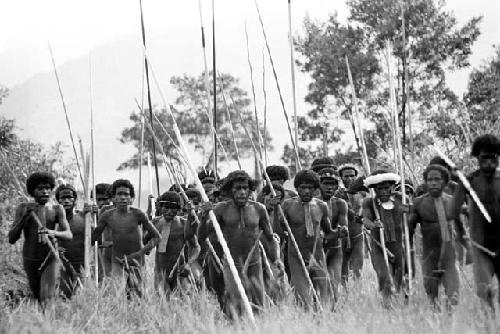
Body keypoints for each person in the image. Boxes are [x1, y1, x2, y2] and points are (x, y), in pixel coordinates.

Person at [198, 170, 281, 316]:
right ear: (230, 190)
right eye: (238, 189)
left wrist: (276, 259)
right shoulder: (221, 209)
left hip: (254, 263)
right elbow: (201, 236)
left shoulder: (259, 209)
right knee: (235, 303)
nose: (242, 192)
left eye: (245, 188)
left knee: (258, 305)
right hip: (232, 263)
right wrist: (204, 218)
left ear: (250, 190)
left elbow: (269, 237)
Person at [410, 164, 470, 309]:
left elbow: (461, 231)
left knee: (453, 296)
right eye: (430, 180)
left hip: (449, 257)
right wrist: (407, 216)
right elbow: (409, 228)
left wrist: (470, 248)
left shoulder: (452, 202)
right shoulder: (419, 203)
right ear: (425, 182)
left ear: (445, 182)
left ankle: (450, 325)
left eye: (437, 179)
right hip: (429, 256)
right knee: (432, 297)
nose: (433, 183)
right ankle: (435, 325)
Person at [8, 172, 72, 304]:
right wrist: (24, 218)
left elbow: (68, 234)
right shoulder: (23, 208)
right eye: (40, 189)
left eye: (48, 188)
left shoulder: (57, 209)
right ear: (32, 191)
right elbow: (12, 238)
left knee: (47, 297)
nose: (45, 192)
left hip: (50, 257)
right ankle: (42, 323)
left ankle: (50, 322)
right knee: (38, 297)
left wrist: (52, 232)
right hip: (30, 259)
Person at [452, 134, 500, 310]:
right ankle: (488, 325)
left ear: (498, 157)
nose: (488, 162)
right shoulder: (468, 182)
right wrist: (463, 235)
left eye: (492, 157)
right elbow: (453, 211)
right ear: (477, 158)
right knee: (484, 290)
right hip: (480, 246)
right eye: (484, 157)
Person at [91, 179, 160, 297]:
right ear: (113, 198)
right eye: (119, 194)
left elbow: (157, 237)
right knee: (114, 294)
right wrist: (87, 215)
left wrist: (140, 253)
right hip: (117, 260)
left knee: (137, 295)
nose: (123, 197)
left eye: (126, 194)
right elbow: (93, 238)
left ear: (131, 198)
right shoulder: (107, 216)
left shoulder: (138, 214)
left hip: (137, 260)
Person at [281, 170, 338, 308]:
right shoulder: (287, 205)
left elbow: (329, 233)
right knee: (303, 299)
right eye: (303, 188)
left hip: (317, 256)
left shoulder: (321, 206)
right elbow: (282, 230)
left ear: (316, 189)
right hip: (296, 257)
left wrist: (339, 233)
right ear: (297, 188)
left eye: (310, 188)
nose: (306, 191)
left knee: (325, 298)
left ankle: (324, 325)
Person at [362, 170, 406, 304]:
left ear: (392, 187)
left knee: (400, 277)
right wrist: (374, 225)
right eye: (379, 189)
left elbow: (411, 216)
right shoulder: (369, 202)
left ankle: (402, 304)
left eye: (386, 188)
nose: (383, 192)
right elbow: (365, 220)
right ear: (374, 189)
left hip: (398, 246)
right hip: (379, 247)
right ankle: (387, 304)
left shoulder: (401, 199)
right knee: (384, 276)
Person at [148, 191, 200, 292]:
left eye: (173, 208)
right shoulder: (155, 222)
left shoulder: (184, 224)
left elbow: (196, 247)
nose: (169, 211)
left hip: (180, 272)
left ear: (178, 209)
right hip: (160, 273)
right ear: (160, 207)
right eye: (166, 208)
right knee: (163, 305)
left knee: (184, 304)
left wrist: (189, 264)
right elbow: (146, 244)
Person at [55, 184, 96, 298]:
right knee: (65, 295)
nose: (66, 201)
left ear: (75, 200)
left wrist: (93, 215)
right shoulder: (54, 220)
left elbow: (94, 238)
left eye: (69, 197)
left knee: (84, 295)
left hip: (84, 264)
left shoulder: (84, 217)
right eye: (63, 198)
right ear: (58, 201)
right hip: (63, 265)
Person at [316, 168, 348, 300]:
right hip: (316, 249)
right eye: (326, 184)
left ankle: (334, 311)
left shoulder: (340, 204)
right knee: (320, 285)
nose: (330, 188)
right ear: (319, 184)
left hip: (335, 248)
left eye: (333, 184)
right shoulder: (312, 203)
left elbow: (343, 227)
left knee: (334, 285)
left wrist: (342, 231)